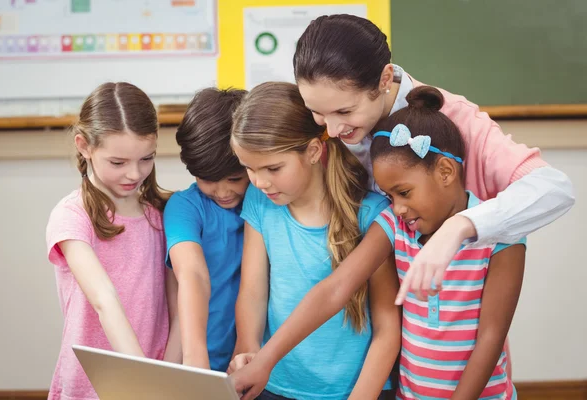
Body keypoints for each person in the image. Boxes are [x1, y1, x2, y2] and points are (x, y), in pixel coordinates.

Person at [230, 14, 574, 397]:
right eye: (317, 114)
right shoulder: (328, 128)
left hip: (451, 364)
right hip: (378, 361)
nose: (330, 130)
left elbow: (555, 188)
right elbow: (335, 286)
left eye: (344, 112)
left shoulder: (454, 123)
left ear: (383, 80)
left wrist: (459, 229)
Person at [229, 82, 401, 400]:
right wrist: (248, 349)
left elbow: (388, 328)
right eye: (249, 168)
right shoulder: (260, 200)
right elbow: (253, 292)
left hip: (355, 391)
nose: (259, 181)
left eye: (273, 168)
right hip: (276, 384)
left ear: (312, 151)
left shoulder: (371, 213)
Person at [369, 86, 525, 399]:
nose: (397, 207)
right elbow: (339, 286)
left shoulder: (503, 237)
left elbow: (491, 337)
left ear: (444, 171)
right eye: (389, 197)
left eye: (404, 192)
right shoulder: (394, 226)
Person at [45, 82, 179, 400]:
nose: (134, 173)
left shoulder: (163, 213)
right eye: (118, 163)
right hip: (90, 386)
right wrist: (141, 379)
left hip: (156, 379)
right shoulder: (72, 215)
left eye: (147, 159)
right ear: (84, 146)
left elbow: (180, 306)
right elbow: (104, 299)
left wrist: (168, 376)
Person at [163, 87, 250, 371]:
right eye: (207, 179)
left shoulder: (265, 200)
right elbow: (192, 275)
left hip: (257, 361)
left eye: (236, 178)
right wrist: (195, 362)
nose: (223, 191)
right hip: (200, 358)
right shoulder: (185, 207)